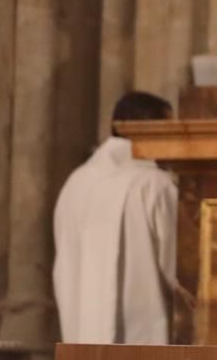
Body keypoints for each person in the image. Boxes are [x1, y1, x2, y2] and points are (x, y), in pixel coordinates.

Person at [52, 92, 179, 345]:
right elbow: (179, 271)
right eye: (169, 130)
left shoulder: (75, 183)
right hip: (143, 342)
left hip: (80, 338)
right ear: (152, 131)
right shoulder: (155, 185)